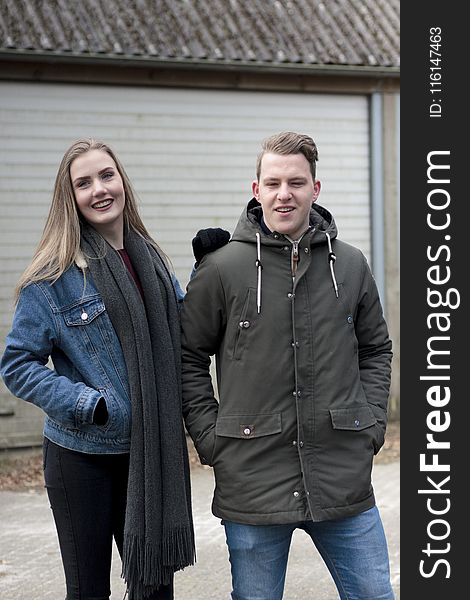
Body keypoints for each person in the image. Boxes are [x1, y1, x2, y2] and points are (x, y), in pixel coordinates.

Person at [181, 131, 395, 600]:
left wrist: (372, 424)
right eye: (273, 183)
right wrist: (211, 438)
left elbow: (376, 349)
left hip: (342, 477)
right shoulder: (221, 268)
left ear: (315, 188)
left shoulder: (352, 265)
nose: (285, 194)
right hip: (252, 479)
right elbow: (188, 356)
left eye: (296, 183)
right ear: (255, 189)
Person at [0, 138, 197, 600]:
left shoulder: (152, 261)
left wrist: (208, 269)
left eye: (106, 175)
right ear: (69, 197)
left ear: (122, 181)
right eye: (83, 183)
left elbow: (188, 333)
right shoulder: (52, 276)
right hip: (82, 457)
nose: (99, 189)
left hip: (147, 455)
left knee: (153, 590)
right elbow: (17, 363)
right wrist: (88, 403)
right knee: (89, 591)